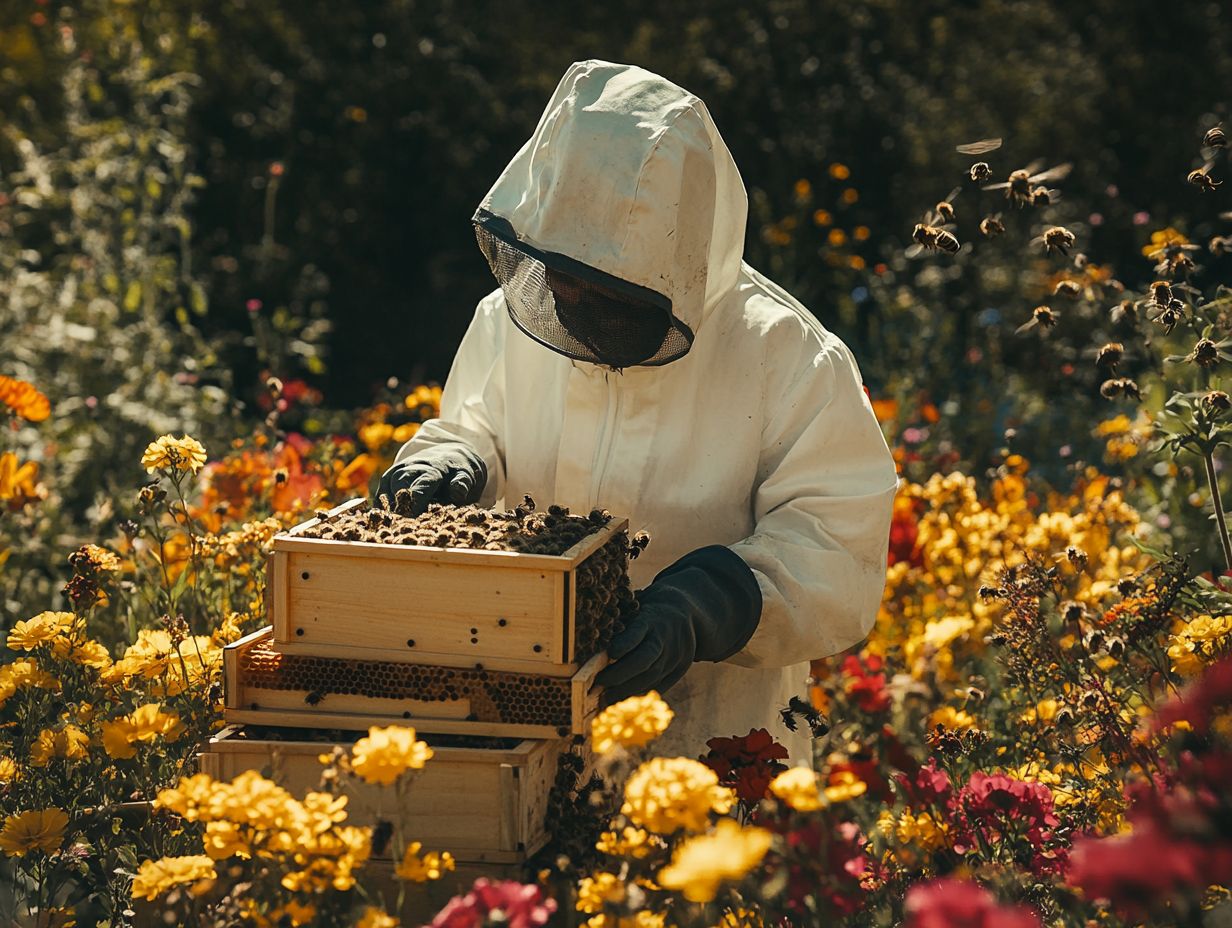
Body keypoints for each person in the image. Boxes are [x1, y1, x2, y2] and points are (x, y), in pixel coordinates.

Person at [378, 60, 898, 759]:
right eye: (563, 278)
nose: (572, 303)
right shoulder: (507, 320)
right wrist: (452, 455)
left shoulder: (788, 354)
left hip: (714, 741)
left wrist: (712, 602)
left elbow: (836, 544)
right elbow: (477, 423)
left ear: (670, 257)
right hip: (520, 715)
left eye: (603, 289)